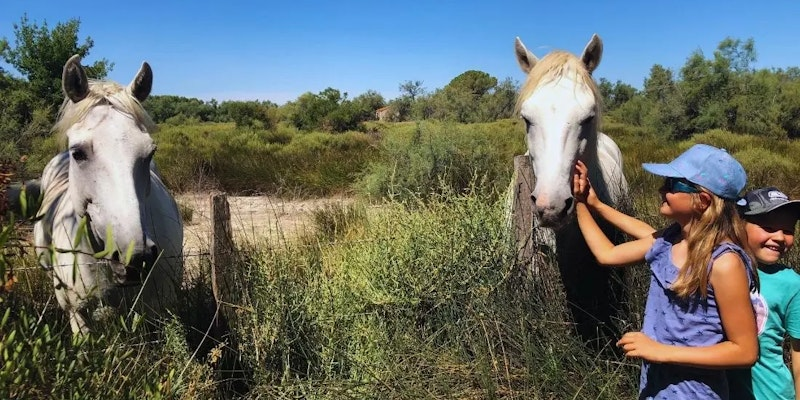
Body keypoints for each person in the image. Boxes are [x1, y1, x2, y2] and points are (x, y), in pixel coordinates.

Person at [572, 144, 759, 399]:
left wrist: (661, 352)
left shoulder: (724, 263)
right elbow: (607, 255)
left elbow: (745, 351)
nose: (661, 189)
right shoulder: (670, 239)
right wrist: (586, 203)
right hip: (655, 388)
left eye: (672, 184)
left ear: (702, 200)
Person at [728, 187, 800, 400]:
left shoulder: (792, 283)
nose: (779, 237)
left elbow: (798, 351)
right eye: (768, 227)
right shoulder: (718, 265)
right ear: (740, 225)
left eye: (788, 230)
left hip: (770, 394)